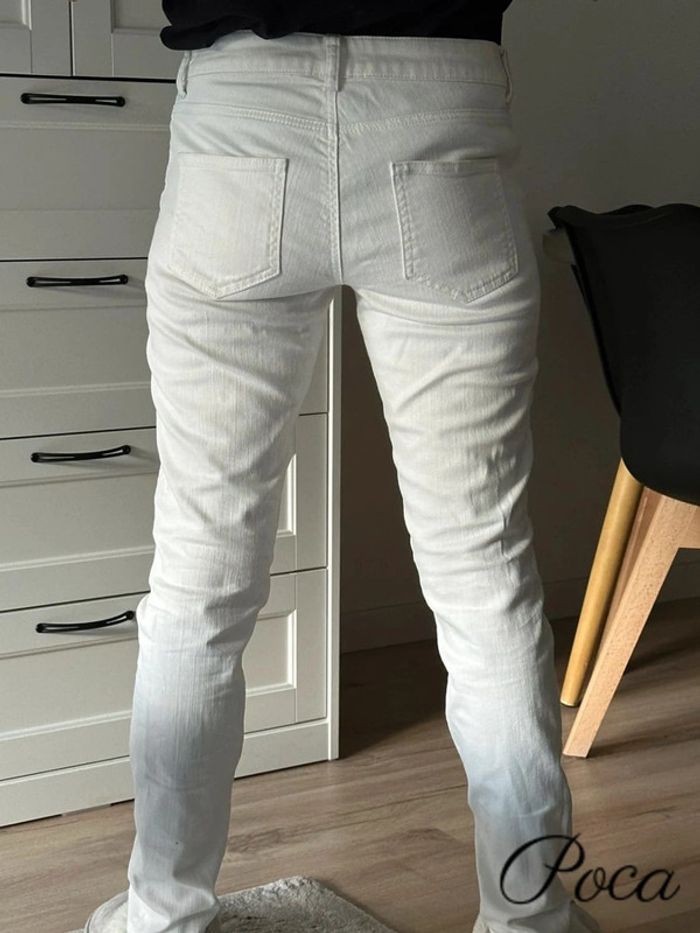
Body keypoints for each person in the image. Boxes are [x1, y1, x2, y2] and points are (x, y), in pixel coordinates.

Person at [83, 3, 604, 932]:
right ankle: (529, 920)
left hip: (242, 114)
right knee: (482, 573)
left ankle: (161, 912)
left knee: (201, 571)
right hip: (444, 106)